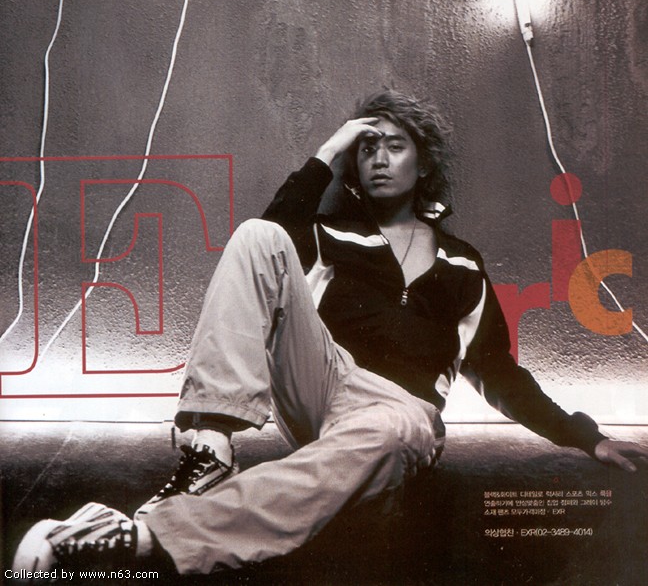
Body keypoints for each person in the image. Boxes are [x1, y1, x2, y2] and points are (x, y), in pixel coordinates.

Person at [13, 91, 647, 577]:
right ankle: (209, 448)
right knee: (257, 236)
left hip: (399, 413)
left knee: (393, 429)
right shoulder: (331, 235)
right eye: (366, 148)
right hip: (325, 380)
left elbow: (499, 372)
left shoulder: (462, 263)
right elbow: (269, 234)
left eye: (394, 145)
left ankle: (139, 537)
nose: (378, 158)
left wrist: (583, 436)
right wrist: (327, 150)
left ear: (423, 161)